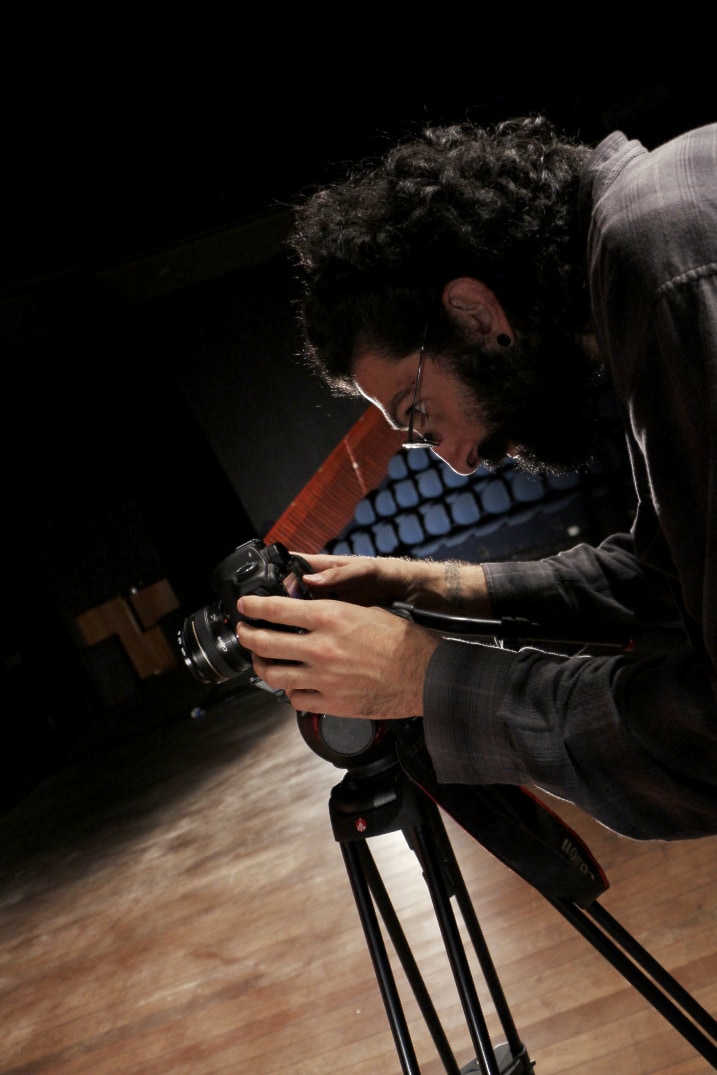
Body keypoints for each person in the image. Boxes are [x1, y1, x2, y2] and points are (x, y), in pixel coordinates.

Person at [235, 115, 717, 841]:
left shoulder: (660, 263)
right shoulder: (658, 221)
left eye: (420, 414)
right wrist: (415, 584)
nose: (456, 458)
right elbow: (668, 579)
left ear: (472, 312)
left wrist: (428, 680)